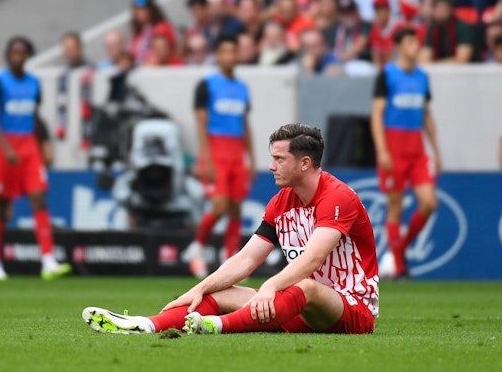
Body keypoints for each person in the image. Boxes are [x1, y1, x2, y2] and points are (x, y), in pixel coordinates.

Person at [82, 123, 379, 336]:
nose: (272, 166)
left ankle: (218, 326)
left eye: (279, 159)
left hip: (351, 308)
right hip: (296, 307)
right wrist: (199, 289)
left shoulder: (337, 197)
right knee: (219, 293)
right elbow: (247, 259)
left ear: (304, 163)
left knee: (307, 287)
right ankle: (146, 325)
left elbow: (312, 260)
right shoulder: (281, 201)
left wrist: (270, 287)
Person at [0, 36, 72, 281]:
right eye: (13, 52)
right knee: (2, 206)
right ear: (8, 55)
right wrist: (6, 148)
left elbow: (34, 116)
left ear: (27, 55)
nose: (18, 56)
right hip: (4, 148)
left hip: (29, 147)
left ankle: (48, 261)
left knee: (39, 199)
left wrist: (45, 144)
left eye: (22, 52)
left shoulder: (34, 83)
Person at [370, 27, 441, 279]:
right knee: (395, 208)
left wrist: (436, 151)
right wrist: (382, 151)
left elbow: (426, 115)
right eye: (410, 42)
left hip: (417, 151)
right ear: (398, 46)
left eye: (417, 42)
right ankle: (399, 266)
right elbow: (377, 114)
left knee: (430, 203)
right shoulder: (387, 75)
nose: (415, 46)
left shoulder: (422, 77)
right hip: (394, 148)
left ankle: (399, 250)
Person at [184, 36, 255, 279]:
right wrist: (206, 159)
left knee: (236, 208)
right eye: (224, 51)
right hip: (215, 149)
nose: (229, 56)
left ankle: (231, 262)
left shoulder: (243, 88)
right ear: (218, 55)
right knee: (220, 205)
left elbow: (245, 124)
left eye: (233, 51)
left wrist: (252, 158)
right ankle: (197, 247)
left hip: (236, 152)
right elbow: (201, 124)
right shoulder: (207, 85)